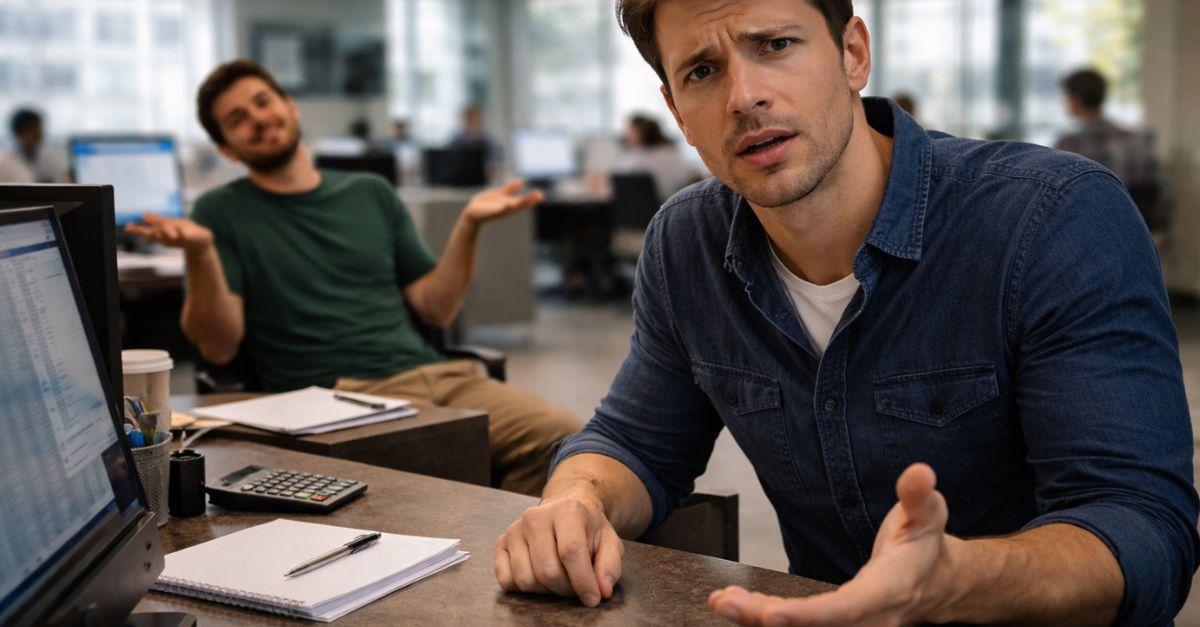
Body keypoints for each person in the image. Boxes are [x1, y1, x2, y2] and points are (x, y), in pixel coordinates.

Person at [494, 1, 1197, 625]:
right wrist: (575, 501)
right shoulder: (686, 243)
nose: (745, 95)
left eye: (775, 44)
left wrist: (953, 581)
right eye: (702, 72)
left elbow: (1141, 526)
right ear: (677, 111)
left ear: (853, 53)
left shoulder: (1051, 219)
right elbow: (638, 442)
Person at [128, 59, 581, 497]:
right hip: (339, 397)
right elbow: (218, 346)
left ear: (290, 106)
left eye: (263, 102)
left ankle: (514, 560)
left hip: (440, 377)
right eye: (238, 118)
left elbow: (435, 307)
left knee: (566, 440)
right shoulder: (220, 212)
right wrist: (202, 254)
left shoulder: (370, 192)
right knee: (432, 478)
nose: (259, 119)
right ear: (227, 147)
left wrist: (468, 226)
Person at [1056, 68, 1170, 256]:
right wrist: (1159, 233)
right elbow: (1160, 193)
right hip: (1136, 238)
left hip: (1087, 243)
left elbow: (1061, 205)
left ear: (1075, 100)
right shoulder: (1137, 140)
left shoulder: (1067, 146)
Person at [616, 113, 704, 202]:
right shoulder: (672, 154)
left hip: (640, 209)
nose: (627, 135)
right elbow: (693, 176)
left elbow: (616, 182)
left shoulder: (634, 160)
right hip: (673, 205)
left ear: (641, 134)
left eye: (630, 132)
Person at [0, 107, 58, 183]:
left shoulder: (47, 160)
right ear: (19, 133)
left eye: (40, 131)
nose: (40, 137)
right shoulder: (4, 164)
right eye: (34, 132)